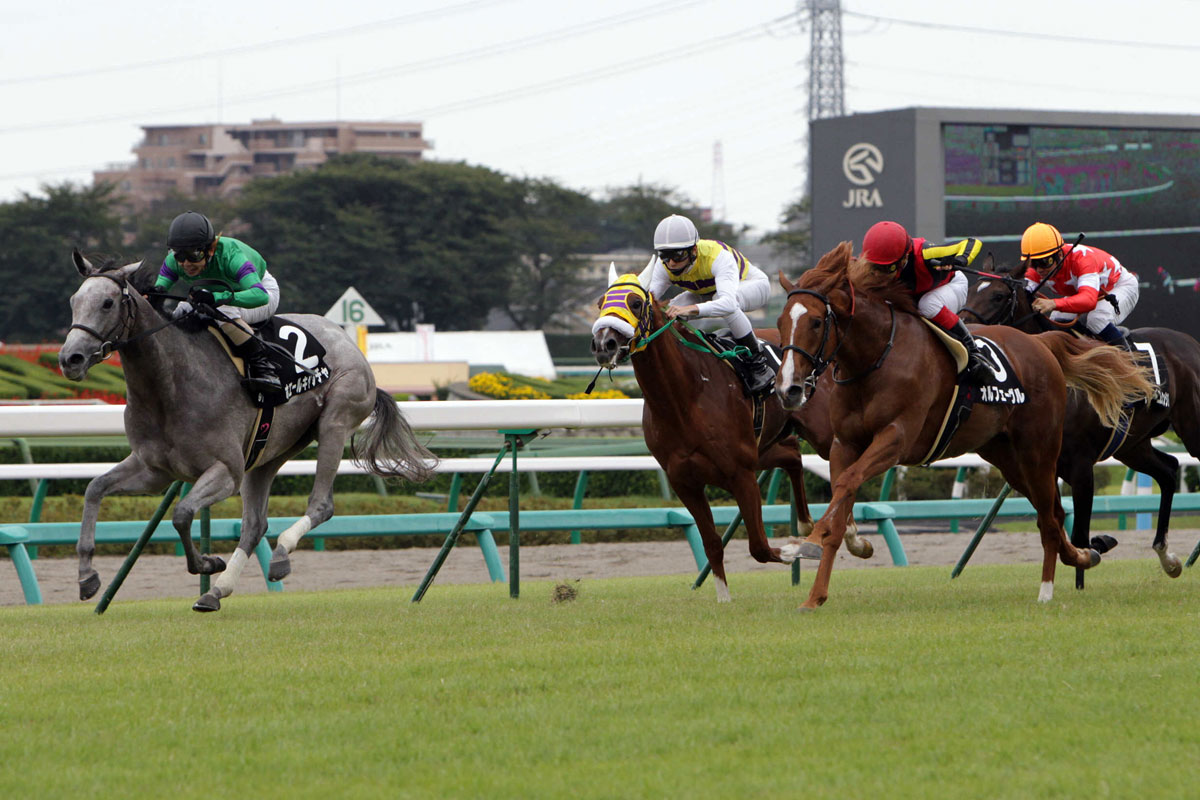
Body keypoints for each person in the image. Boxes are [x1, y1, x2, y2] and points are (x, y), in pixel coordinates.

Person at [637, 214, 775, 394]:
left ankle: (758, 365)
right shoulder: (664, 267)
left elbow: (728, 304)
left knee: (720, 300)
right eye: (665, 256)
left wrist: (691, 310)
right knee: (666, 309)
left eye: (677, 256)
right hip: (706, 292)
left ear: (693, 250)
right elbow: (646, 300)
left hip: (752, 286)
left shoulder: (717, 257)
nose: (671, 263)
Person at [157, 211, 283, 392]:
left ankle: (263, 367)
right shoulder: (174, 261)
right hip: (220, 294)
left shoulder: (231, 256)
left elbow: (259, 295)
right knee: (181, 310)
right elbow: (157, 292)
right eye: (179, 255)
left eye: (193, 254)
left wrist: (216, 298)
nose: (186, 263)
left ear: (210, 249)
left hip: (260, 294)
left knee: (223, 310)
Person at [860, 220, 991, 382]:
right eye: (876, 268)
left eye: (888, 269)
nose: (880, 274)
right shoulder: (874, 260)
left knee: (927, 305)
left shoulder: (926, 252)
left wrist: (960, 260)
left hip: (952, 285)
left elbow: (972, 243)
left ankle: (974, 353)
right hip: (917, 294)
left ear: (904, 257)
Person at [1020, 222, 1138, 350]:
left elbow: (1088, 300)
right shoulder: (1037, 269)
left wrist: (1053, 303)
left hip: (1120, 286)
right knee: (1056, 319)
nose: (1039, 269)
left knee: (1097, 319)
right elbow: (1022, 293)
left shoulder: (1083, 260)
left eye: (1045, 261)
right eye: (1033, 263)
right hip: (1090, 292)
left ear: (1060, 255)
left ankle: (1130, 361)